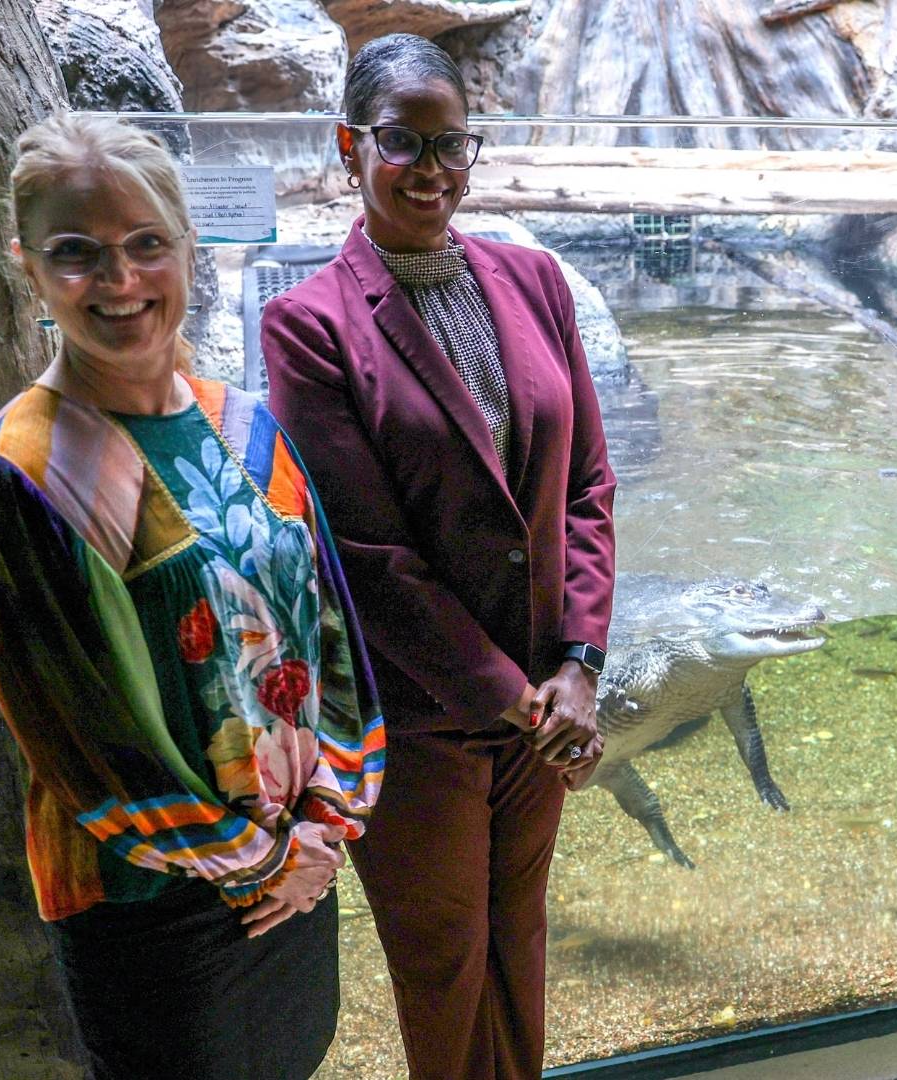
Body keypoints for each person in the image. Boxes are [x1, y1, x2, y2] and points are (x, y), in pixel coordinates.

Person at [0, 113, 384, 1080]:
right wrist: (262, 859)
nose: (121, 281)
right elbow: (77, 737)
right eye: (78, 254)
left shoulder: (246, 421)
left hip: (296, 867)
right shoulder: (11, 476)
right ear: (28, 267)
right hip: (150, 901)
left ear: (188, 249)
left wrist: (327, 824)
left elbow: (333, 632)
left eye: (147, 245)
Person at [259, 33, 616, 1080]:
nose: (430, 167)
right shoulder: (310, 326)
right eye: (403, 141)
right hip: (422, 723)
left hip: (548, 706)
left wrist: (580, 668)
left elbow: (588, 485)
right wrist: (520, 697)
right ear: (348, 148)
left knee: (522, 949)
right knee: (444, 964)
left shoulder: (535, 279)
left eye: (449, 141)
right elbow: (368, 557)